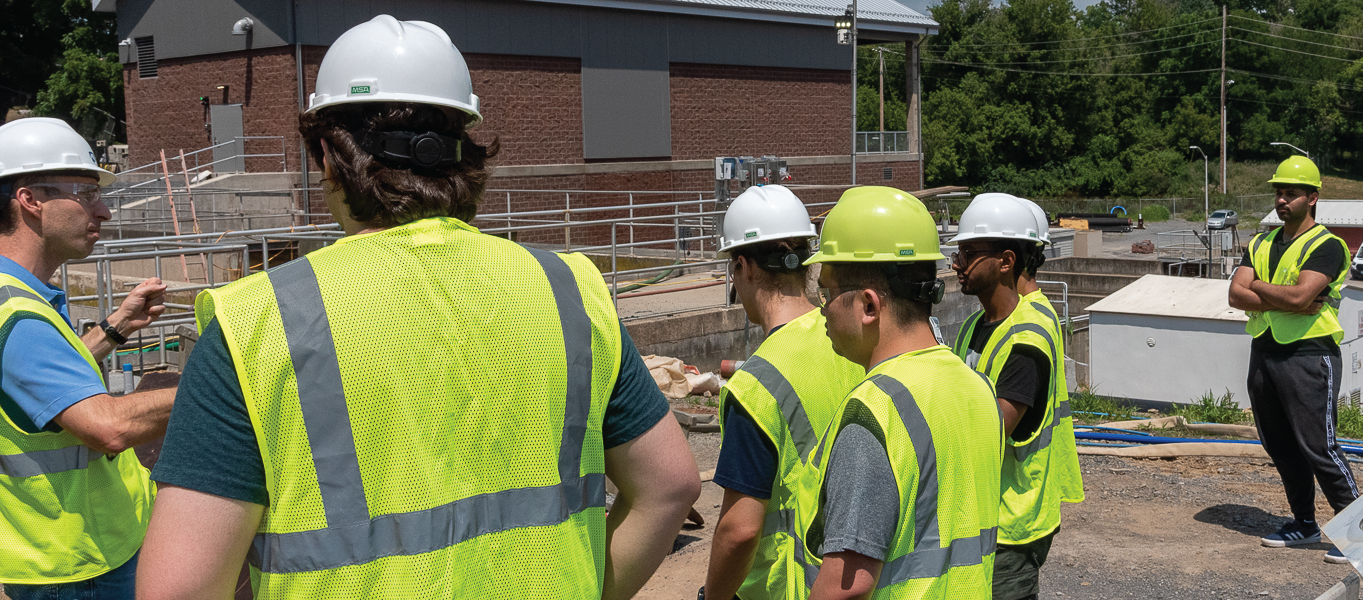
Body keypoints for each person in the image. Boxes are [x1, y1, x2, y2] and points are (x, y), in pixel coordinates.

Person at [135, 16, 699, 599]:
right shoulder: (567, 289)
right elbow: (670, 487)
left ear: (327, 155)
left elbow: (178, 590)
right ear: (463, 151)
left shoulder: (258, 321)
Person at [0, 117, 172, 599]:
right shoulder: (17, 318)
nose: (103, 211)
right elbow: (109, 427)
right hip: (78, 560)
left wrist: (112, 330)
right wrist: (229, 381)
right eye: (85, 194)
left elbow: (34, 390)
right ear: (31, 200)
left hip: (43, 547)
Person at [799, 186, 1003, 599]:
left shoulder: (875, 412)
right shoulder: (977, 387)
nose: (821, 308)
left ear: (869, 306)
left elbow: (846, 585)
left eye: (827, 293)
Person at [702, 185, 866, 600]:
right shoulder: (854, 342)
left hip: (790, 586)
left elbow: (740, 531)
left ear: (744, 266)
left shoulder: (755, 386)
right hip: (859, 573)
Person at [947, 193, 1084, 600]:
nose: (957, 263)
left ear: (1006, 261)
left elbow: (991, 429)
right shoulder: (978, 323)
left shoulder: (1028, 335)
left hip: (1010, 520)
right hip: (982, 511)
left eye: (969, 253)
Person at [1224, 155, 1359, 564]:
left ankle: (1359, 531)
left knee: (1320, 445)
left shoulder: (1327, 246)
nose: (1282, 200)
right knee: (1280, 445)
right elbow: (1235, 294)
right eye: (1279, 193)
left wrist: (1261, 292)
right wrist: (1282, 295)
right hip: (1265, 351)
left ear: (1313, 198)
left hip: (1309, 354)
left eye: (1291, 193)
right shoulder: (1261, 242)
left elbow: (1304, 298)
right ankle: (1304, 523)